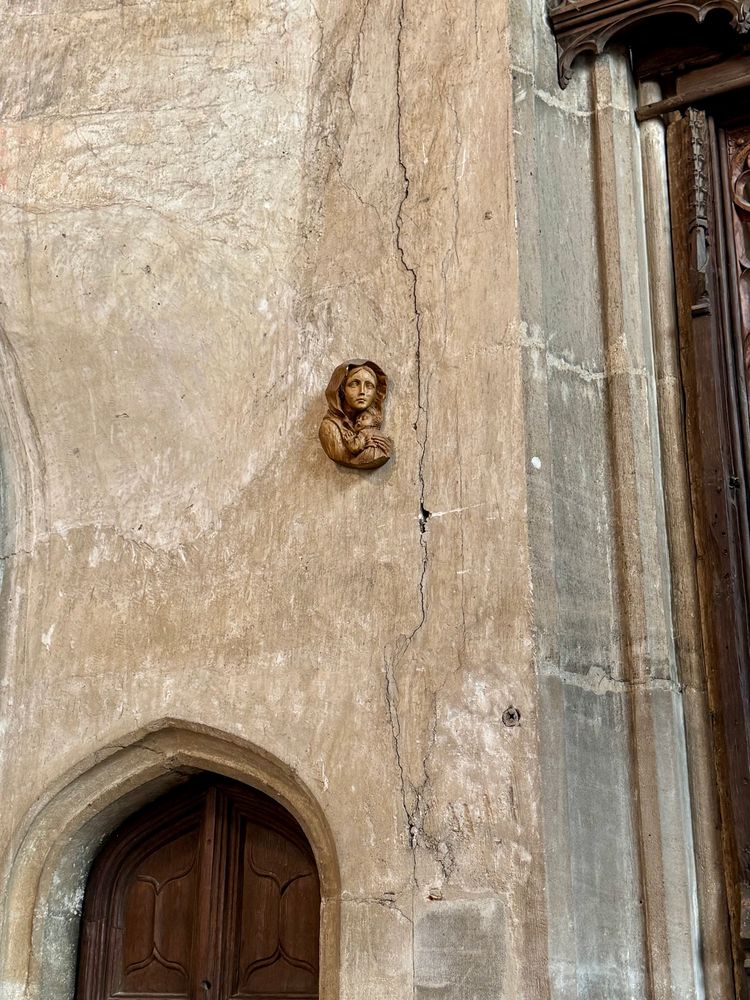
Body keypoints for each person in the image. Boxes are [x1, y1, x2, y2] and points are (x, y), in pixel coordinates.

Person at [319, 360, 393, 469]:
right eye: (354, 384)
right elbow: (345, 456)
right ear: (342, 389)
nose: (362, 391)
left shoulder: (371, 423)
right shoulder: (330, 427)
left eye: (369, 385)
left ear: (376, 392)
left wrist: (384, 447)